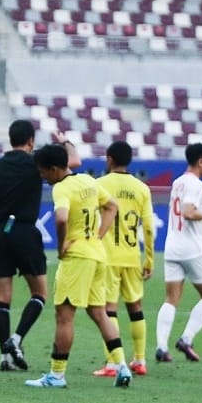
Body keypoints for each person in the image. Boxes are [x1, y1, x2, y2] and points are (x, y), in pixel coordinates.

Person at [0, 120, 80, 371]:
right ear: (31, 141)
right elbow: (73, 162)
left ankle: (5, 357)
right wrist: (63, 141)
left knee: (2, 298)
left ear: (10, 139)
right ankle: (16, 338)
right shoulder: (36, 163)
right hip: (25, 230)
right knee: (40, 293)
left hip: (0, 232)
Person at [25, 143, 133, 388]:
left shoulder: (62, 188)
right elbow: (112, 206)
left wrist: (62, 245)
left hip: (77, 258)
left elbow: (61, 217)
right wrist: (97, 235)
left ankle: (57, 375)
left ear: (54, 169)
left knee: (64, 316)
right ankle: (122, 366)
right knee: (100, 313)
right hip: (97, 254)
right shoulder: (88, 180)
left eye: (43, 172)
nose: (42, 177)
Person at [92, 141, 155, 377]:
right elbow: (148, 227)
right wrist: (149, 259)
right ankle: (140, 359)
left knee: (109, 309)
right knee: (135, 307)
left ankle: (112, 363)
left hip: (107, 256)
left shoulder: (99, 185)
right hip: (131, 255)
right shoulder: (142, 189)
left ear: (109, 159)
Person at [155, 143, 202, 363]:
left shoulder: (178, 182)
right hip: (192, 248)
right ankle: (186, 339)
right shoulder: (195, 184)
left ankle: (161, 346)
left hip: (172, 246)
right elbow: (188, 212)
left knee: (171, 298)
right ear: (200, 161)